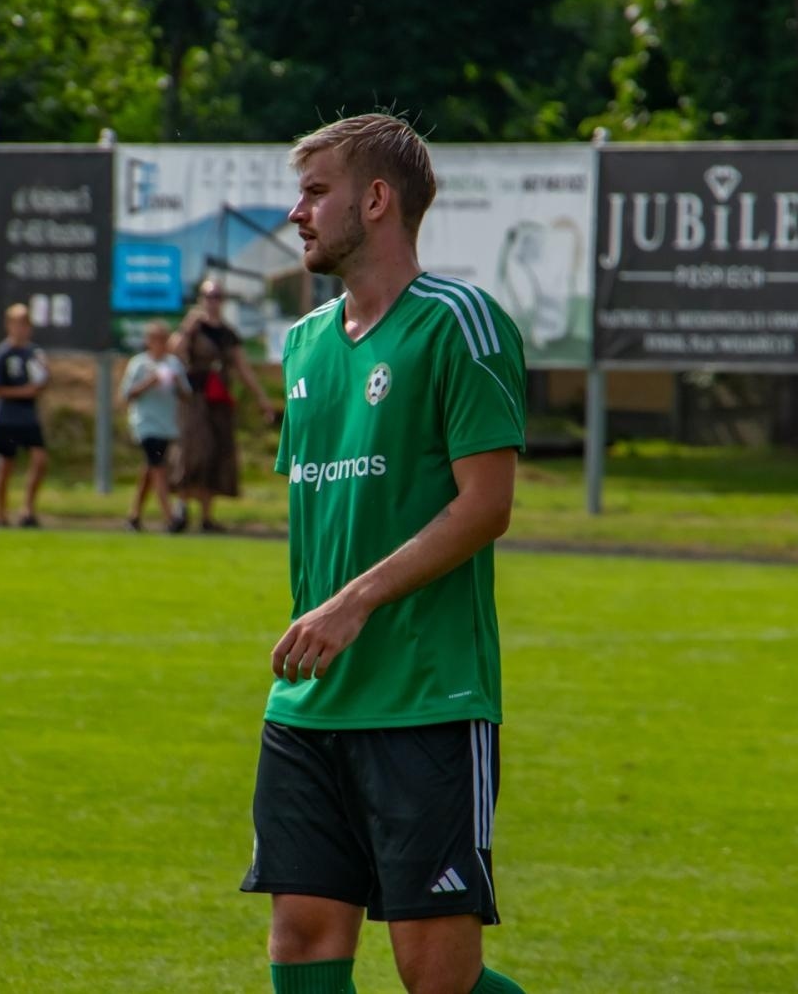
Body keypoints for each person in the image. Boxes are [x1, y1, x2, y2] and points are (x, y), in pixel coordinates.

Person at [240, 113, 528, 994]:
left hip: (425, 696)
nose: (298, 212)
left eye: (316, 191)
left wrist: (353, 601)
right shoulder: (304, 344)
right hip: (311, 701)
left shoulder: (460, 323)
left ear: (376, 199)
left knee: (434, 973)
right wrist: (326, 616)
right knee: (301, 934)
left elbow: (487, 505)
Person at [168, 277, 276, 533]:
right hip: (195, 398)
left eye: (217, 296)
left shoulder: (227, 334)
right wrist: (187, 326)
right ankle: (181, 508)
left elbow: (243, 368)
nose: (213, 302)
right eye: (208, 296)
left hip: (219, 400)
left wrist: (262, 398)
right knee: (194, 451)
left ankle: (207, 516)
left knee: (215, 453)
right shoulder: (194, 328)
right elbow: (174, 351)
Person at [119, 319, 191, 532]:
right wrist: (149, 382)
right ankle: (170, 517)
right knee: (158, 467)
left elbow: (187, 395)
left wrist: (177, 383)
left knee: (151, 468)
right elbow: (127, 394)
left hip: (166, 424)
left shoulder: (173, 365)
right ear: (148, 341)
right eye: (155, 339)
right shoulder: (139, 364)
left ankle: (134, 515)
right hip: (145, 422)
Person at [0, 304, 50, 528]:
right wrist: (24, 391)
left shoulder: (34, 353)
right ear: (9, 325)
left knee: (40, 459)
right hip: (6, 417)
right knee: (5, 465)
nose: (22, 328)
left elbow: (41, 383)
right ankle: (0, 513)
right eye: (18, 323)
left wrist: (43, 378)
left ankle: (27, 509)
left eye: (25, 324)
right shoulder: (3, 353)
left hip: (28, 416)